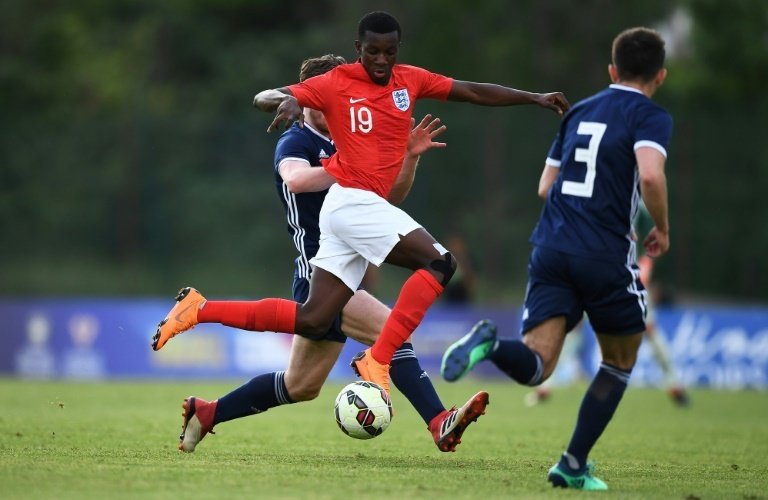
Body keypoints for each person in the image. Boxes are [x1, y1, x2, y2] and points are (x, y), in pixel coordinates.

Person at [153, 10, 568, 396]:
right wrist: (291, 99)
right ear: (358, 49)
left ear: (398, 50)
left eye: (389, 52)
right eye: (372, 51)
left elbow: (472, 91)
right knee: (441, 263)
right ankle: (378, 360)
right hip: (352, 203)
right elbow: (277, 96)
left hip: (350, 210)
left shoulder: (412, 80)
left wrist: (532, 97)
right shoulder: (336, 82)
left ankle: (199, 310)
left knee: (315, 318)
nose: (381, 60)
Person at [154, 54, 489, 454]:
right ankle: (438, 422)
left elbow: (387, 198)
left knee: (300, 386)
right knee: (393, 333)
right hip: (318, 270)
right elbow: (294, 180)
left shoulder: (349, 138)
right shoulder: (296, 140)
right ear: (311, 99)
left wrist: (409, 157)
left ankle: (207, 413)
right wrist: (343, 168)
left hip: (344, 270)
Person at [441, 27, 672, 490]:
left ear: (612, 71)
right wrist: (661, 228)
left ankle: (487, 343)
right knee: (619, 361)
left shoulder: (580, 110)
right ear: (660, 76)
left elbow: (545, 187)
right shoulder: (649, 115)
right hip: (604, 253)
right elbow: (649, 175)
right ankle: (571, 463)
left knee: (537, 364)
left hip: (550, 247)